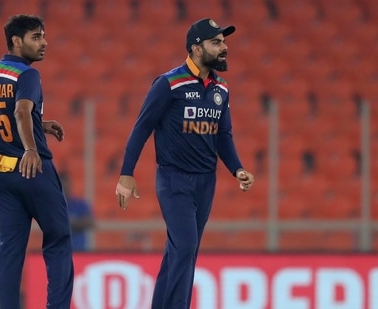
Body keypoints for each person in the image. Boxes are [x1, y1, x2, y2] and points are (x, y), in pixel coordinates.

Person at [115, 18, 255, 308]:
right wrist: (126, 174)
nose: (224, 47)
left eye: (224, 41)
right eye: (216, 42)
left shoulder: (221, 89)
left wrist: (237, 168)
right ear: (196, 48)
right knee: (186, 247)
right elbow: (142, 128)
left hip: (206, 182)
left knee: (179, 252)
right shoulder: (169, 84)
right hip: (174, 180)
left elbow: (223, 135)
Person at [0, 15, 73, 309]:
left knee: (9, 249)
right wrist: (31, 148)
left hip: (1, 172)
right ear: (17, 41)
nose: (44, 43)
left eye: (43, 36)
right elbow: (20, 111)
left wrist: (38, 123)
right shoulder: (27, 74)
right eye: (36, 37)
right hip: (32, 171)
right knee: (58, 238)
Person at [60, 172, 95, 251]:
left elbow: (90, 222)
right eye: (63, 185)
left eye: (66, 185)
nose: (65, 188)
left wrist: (68, 224)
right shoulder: (54, 206)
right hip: (60, 251)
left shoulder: (80, 205)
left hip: (80, 250)